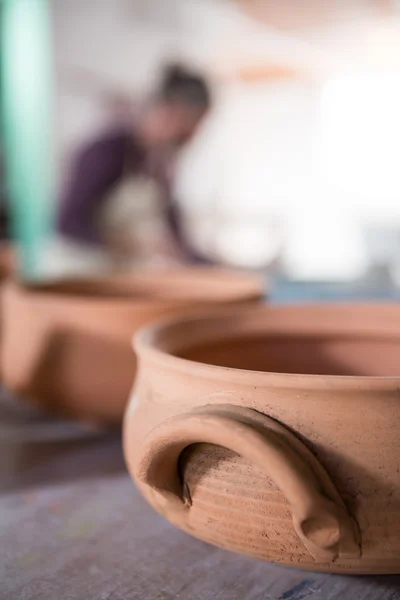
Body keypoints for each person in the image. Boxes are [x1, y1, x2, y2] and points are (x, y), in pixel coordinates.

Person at [58, 64, 212, 265]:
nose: (193, 136)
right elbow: (68, 223)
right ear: (169, 111)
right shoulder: (107, 151)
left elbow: (177, 236)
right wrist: (126, 243)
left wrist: (214, 265)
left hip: (121, 273)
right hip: (81, 272)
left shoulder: (159, 164)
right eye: (192, 124)